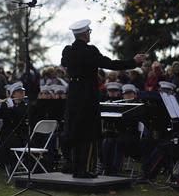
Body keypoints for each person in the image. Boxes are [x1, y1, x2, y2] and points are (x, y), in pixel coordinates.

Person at [61, 19, 146, 178]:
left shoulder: (68, 50)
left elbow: (64, 63)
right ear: (85, 34)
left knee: (76, 130)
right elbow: (111, 64)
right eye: (89, 32)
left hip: (73, 94)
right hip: (87, 94)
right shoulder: (91, 51)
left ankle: (76, 168)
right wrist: (133, 62)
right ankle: (85, 169)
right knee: (88, 133)